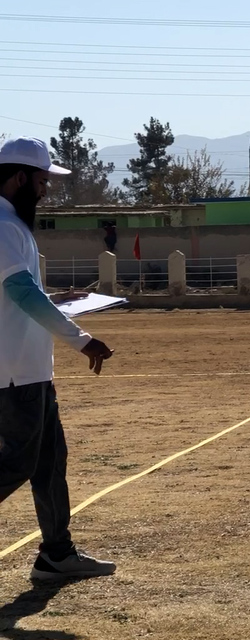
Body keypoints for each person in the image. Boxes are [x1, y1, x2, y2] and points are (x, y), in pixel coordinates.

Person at [0, 137, 116, 581]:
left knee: (50, 463)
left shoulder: (13, 225)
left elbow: (20, 295)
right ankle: (57, 552)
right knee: (19, 462)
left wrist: (58, 299)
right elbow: (20, 292)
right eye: (43, 180)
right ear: (19, 178)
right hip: (14, 374)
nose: (47, 190)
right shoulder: (5, 227)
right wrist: (81, 339)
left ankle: (56, 554)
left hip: (30, 371)